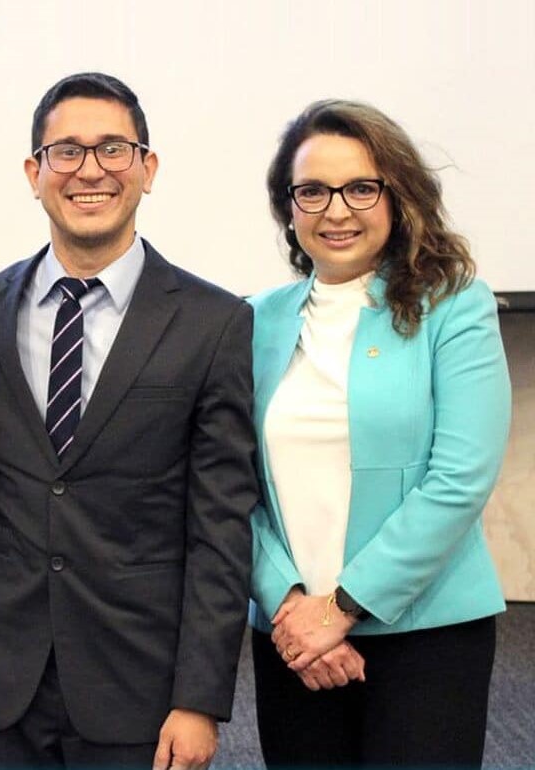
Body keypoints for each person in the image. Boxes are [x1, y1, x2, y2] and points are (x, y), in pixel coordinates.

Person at [0, 72, 257, 769]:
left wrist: (200, 698)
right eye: (66, 151)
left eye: (114, 149)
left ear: (148, 169)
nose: (90, 170)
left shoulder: (213, 324)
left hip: (138, 689)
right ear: (35, 173)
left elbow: (220, 527)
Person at [248, 99, 512, 767]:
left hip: (427, 632)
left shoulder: (453, 304)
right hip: (293, 635)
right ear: (289, 206)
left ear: (399, 195)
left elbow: (461, 477)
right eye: (312, 191)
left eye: (361, 187)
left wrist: (342, 606)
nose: (336, 210)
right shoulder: (254, 320)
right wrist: (289, 604)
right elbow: (228, 482)